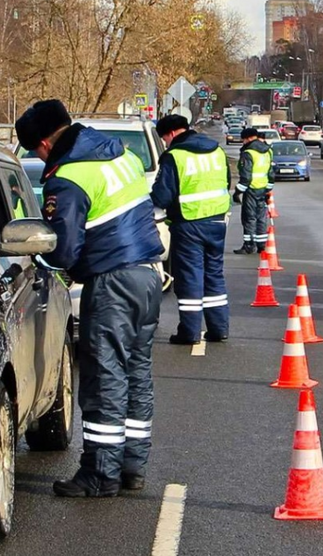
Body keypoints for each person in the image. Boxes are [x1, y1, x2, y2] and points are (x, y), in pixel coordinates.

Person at [15, 99, 164, 497]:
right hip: (147, 276)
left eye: (35, 149)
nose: (37, 155)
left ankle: (100, 472)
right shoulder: (120, 155)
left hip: (111, 281)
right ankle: (132, 464)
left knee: (103, 377)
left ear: (45, 143)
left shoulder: (68, 178)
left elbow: (62, 250)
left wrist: (35, 252)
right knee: (135, 372)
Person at [150, 114, 230, 345]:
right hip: (217, 222)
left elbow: (162, 196)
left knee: (189, 278)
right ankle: (219, 328)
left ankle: (190, 332)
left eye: (164, 138)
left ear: (172, 133)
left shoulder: (175, 156)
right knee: (214, 275)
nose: (165, 143)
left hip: (188, 224)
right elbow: (226, 183)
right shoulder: (216, 151)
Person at [231, 127, 272, 254]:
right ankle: (261, 245)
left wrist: (237, 192)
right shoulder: (267, 151)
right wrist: (268, 190)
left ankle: (248, 245)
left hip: (251, 190)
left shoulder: (248, 153)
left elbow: (246, 177)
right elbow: (271, 173)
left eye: (243, 139)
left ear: (248, 138)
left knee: (249, 218)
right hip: (262, 189)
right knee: (261, 218)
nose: (243, 142)